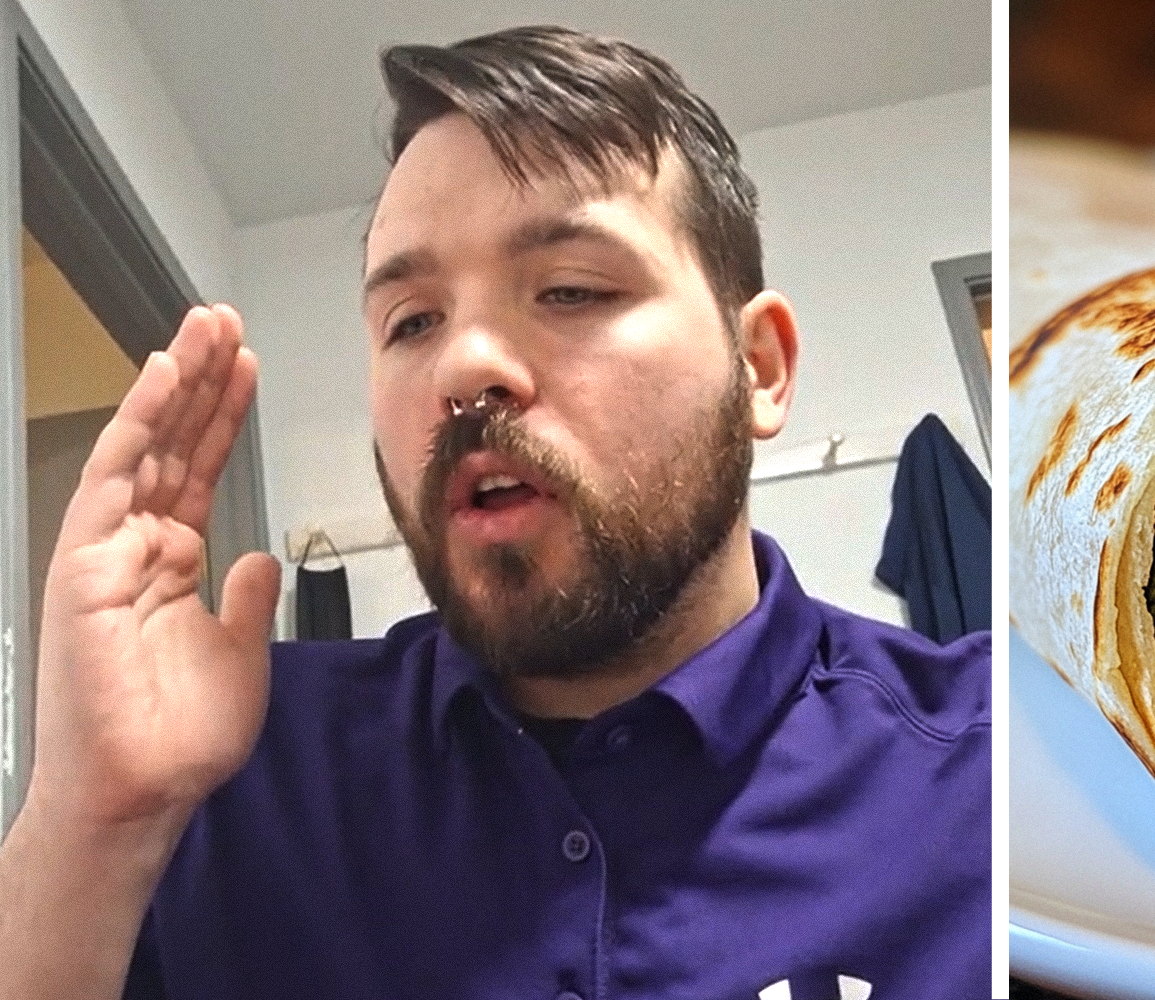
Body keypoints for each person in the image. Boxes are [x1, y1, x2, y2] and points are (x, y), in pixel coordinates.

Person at [0, 25, 991, 1000]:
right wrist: (88, 822)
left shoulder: (1000, 771)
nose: (463, 366)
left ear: (759, 368)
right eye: (413, 322)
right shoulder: (231, 768)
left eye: (570, 290)